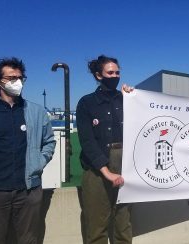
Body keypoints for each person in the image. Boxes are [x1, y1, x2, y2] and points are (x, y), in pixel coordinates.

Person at [0, 57, 56, 244]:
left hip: (28, 191)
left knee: (28, 240)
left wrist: (38, 162)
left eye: (21, 77)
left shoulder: (36, 112)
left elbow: (49, 142)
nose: (18, 82)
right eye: (11, 78)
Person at [76, 55, 133, 244]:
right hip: (97, 167)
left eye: (117, 72)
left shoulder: (127, 100)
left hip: (124, 162)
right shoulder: (86, 103)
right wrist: (106, 171)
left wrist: (134, 98)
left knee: (123, 224)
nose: (115, 76)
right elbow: (87, 140)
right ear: (98, 75)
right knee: (96, 226)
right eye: (110, 72)